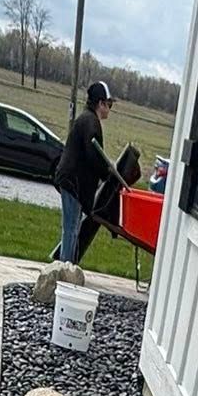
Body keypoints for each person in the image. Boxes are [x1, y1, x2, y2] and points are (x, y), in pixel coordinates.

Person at [54, 81, 120, 266]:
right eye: (109, 104)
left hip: (71, 181)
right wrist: (108, 172)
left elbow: (92, 155)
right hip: (73, 182)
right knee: (71, 228)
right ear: (100, 103)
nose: (109, 109)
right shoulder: (91, 123)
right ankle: (65, 268)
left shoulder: (87, 119)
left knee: (72, 227)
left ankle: (67, 265)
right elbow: (94, 156)